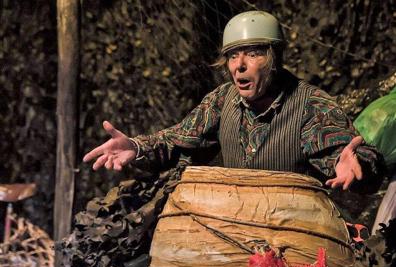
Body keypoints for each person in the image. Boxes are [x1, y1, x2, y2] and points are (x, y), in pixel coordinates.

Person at [83, 11, 383, 190]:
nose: (239, 65)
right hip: (234, 227)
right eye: (232, 56)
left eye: (253, 54)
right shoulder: (222, 100)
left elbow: (348, 159)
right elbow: (177, 142)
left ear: (274, 59)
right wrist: (136, 148)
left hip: (294, 233)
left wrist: (357, 165)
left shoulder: (310, 104)